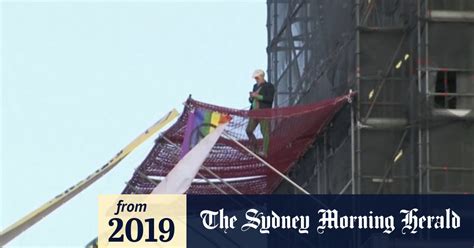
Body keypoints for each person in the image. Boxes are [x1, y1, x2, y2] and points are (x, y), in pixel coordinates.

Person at [246, 69, 275, 157]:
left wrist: (257, 96)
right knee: (248, 130)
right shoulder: (255, 86)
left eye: (257, 78)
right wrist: (251, 98)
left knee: (265, 131)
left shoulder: (269, 86)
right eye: (255, 78)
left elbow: (269, 98)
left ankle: (264, 152)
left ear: (262, 77)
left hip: (264, 112)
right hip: (254, 112)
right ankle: (255, 149)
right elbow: (252, 101)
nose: (256, 80)